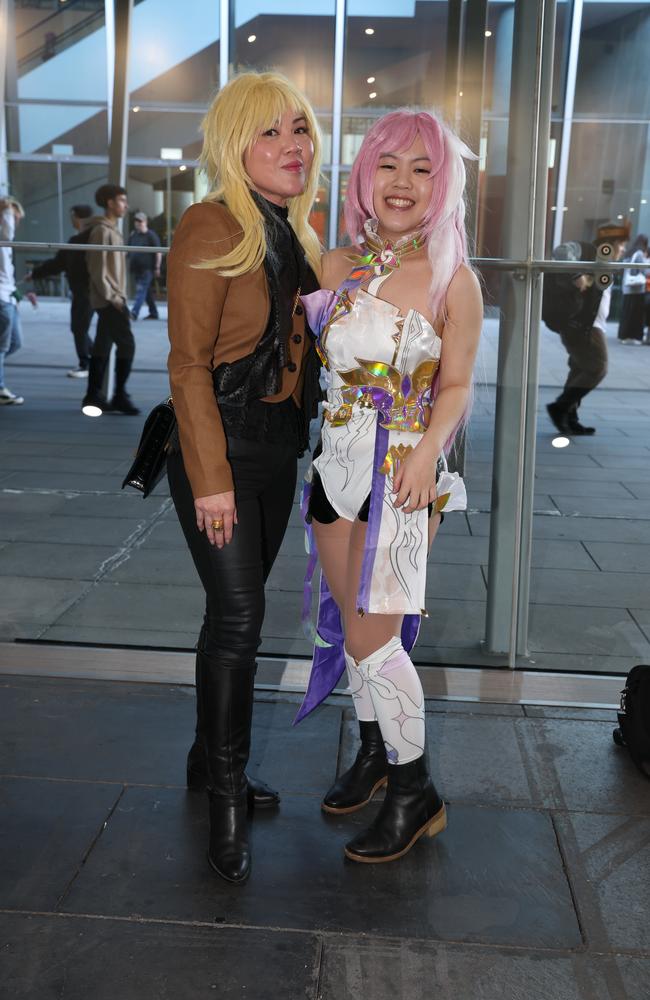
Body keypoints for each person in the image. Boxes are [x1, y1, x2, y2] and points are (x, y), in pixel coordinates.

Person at [295, 110, 482, 864]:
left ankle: (416, 791)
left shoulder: (451, 277)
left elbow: (461, 383)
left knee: (376, 639)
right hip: (333, 465)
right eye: (389, 164)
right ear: (365, 174)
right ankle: (377, 752)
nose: (402, 181)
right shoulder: (334, 265)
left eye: (423, 168)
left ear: (443, 185)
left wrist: (427, 452)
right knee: (350, 625)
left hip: (402, 470)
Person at [166, 72, 322, 885]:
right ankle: (226, 796)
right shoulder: (209, 223)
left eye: (300, 128)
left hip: (276, 452)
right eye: (271, 132)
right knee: (240, 619)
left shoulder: (288, 230)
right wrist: (210, 481)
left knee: (230, 618)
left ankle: (204, 758)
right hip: (217, 457)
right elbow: (187, 365)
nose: (293, 145)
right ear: (235, 144)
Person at [543, 221, 629, 436]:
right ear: (610, 243)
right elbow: (561, 251)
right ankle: (561, 408)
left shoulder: (605, 262)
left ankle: (570, 417)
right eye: (621, 244)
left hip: (589, 326)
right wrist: (576, 275)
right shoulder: (587, 250)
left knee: (580, 369)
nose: (623, 250)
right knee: (598, 367)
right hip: (582, 327)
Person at [83, 184, 140, 415]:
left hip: (112, 297)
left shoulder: (112, 230)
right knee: (127, 344)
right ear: (110, 203)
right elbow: (97, 270)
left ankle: (93, 395)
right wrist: (113, 297)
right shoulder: (102, 231)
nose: (125, 205)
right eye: (122, 200)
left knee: (103, 345)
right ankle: (119, 395)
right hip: (110, 299)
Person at [28, 204, 95, 378]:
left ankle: (87, 364)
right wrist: (35, 274)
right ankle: (94, 361)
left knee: (79, 328)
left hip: (86, 291)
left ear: (78, 217)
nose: (71, 220)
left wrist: (36, 273)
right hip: (85, 290)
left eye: (72, 216)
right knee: (80, 327)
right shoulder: (81, 239)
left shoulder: (83, 240)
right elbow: (58, 263)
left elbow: (58, 263)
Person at [0, 197, 36, 406]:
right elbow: (8, 231)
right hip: (1, 299)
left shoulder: (5, 243)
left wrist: (17, 292)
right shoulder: (3, 236)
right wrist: (7, 207)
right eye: (14, 218)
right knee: (3, 346)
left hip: (8, 296)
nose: (16, 222)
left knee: (15, 342)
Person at [128, 211, 161, 320]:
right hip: (136, 268)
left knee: (141, 290)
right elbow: (128, 250)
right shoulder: (133, 234)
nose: (137, 223)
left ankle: (134, 313)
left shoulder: (151, 235)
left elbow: (158, 252)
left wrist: (157, 267)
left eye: (140, 221)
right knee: (146, 292)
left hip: (147, 269)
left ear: (145, 222)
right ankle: (154, 313)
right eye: (136, 221)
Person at [618, 233, 649, 345]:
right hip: (636, 288)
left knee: (626, 313)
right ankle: (635, 337)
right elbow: (644, 271)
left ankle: (623, 336)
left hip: (627, 288)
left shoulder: (629, 252)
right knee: (636, 315)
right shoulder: (640, 254)